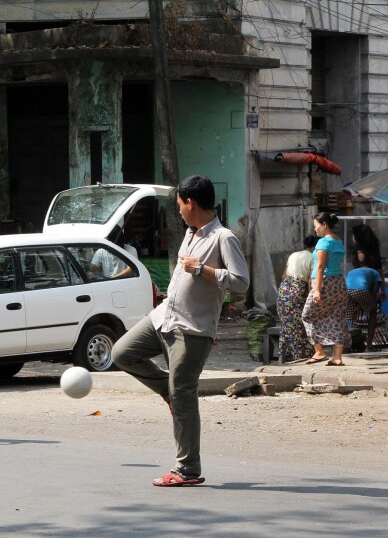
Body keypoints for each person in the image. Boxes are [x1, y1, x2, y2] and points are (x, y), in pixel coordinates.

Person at [111, 175, 249, 487]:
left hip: (193, 329)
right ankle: (166, 390)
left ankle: (187, 470)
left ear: (191, 203)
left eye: (180, 206)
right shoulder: (190, 233)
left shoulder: (223, 238)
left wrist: (201, 269)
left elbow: (241, 283)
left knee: (184, 394)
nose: (178, 212)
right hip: (163, 318)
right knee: (122, 353)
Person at [302, 212, 350, 366]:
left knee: (307, 315)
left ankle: (319, 351)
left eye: (316, 226)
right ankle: (337, 357)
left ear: (324, 225)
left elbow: (321, 266)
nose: (315, 230)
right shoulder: (338, 241)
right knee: (337, 316)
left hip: (325, 282)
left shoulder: (323, 242)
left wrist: (316, 290)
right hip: (338, 283)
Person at [347, 225, 388, 350]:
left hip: (359, 285)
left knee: (359, 314)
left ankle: (359, 342)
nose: (352, 237)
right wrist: (382, 290)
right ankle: (371, 342)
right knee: (373, 313)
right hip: (371, 285)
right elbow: (380, 272)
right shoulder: (374, 252)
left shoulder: (359, 252)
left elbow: (361, 272)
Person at [275, 235, 317, 362]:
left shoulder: (293, 255)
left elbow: (283, 276)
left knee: (286, 324)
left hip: (284, 289)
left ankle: (283, 356)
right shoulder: (314, 257)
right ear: (314, 247)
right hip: (298, 290)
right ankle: (301, 356)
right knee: (301, 324)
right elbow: (310, 281)